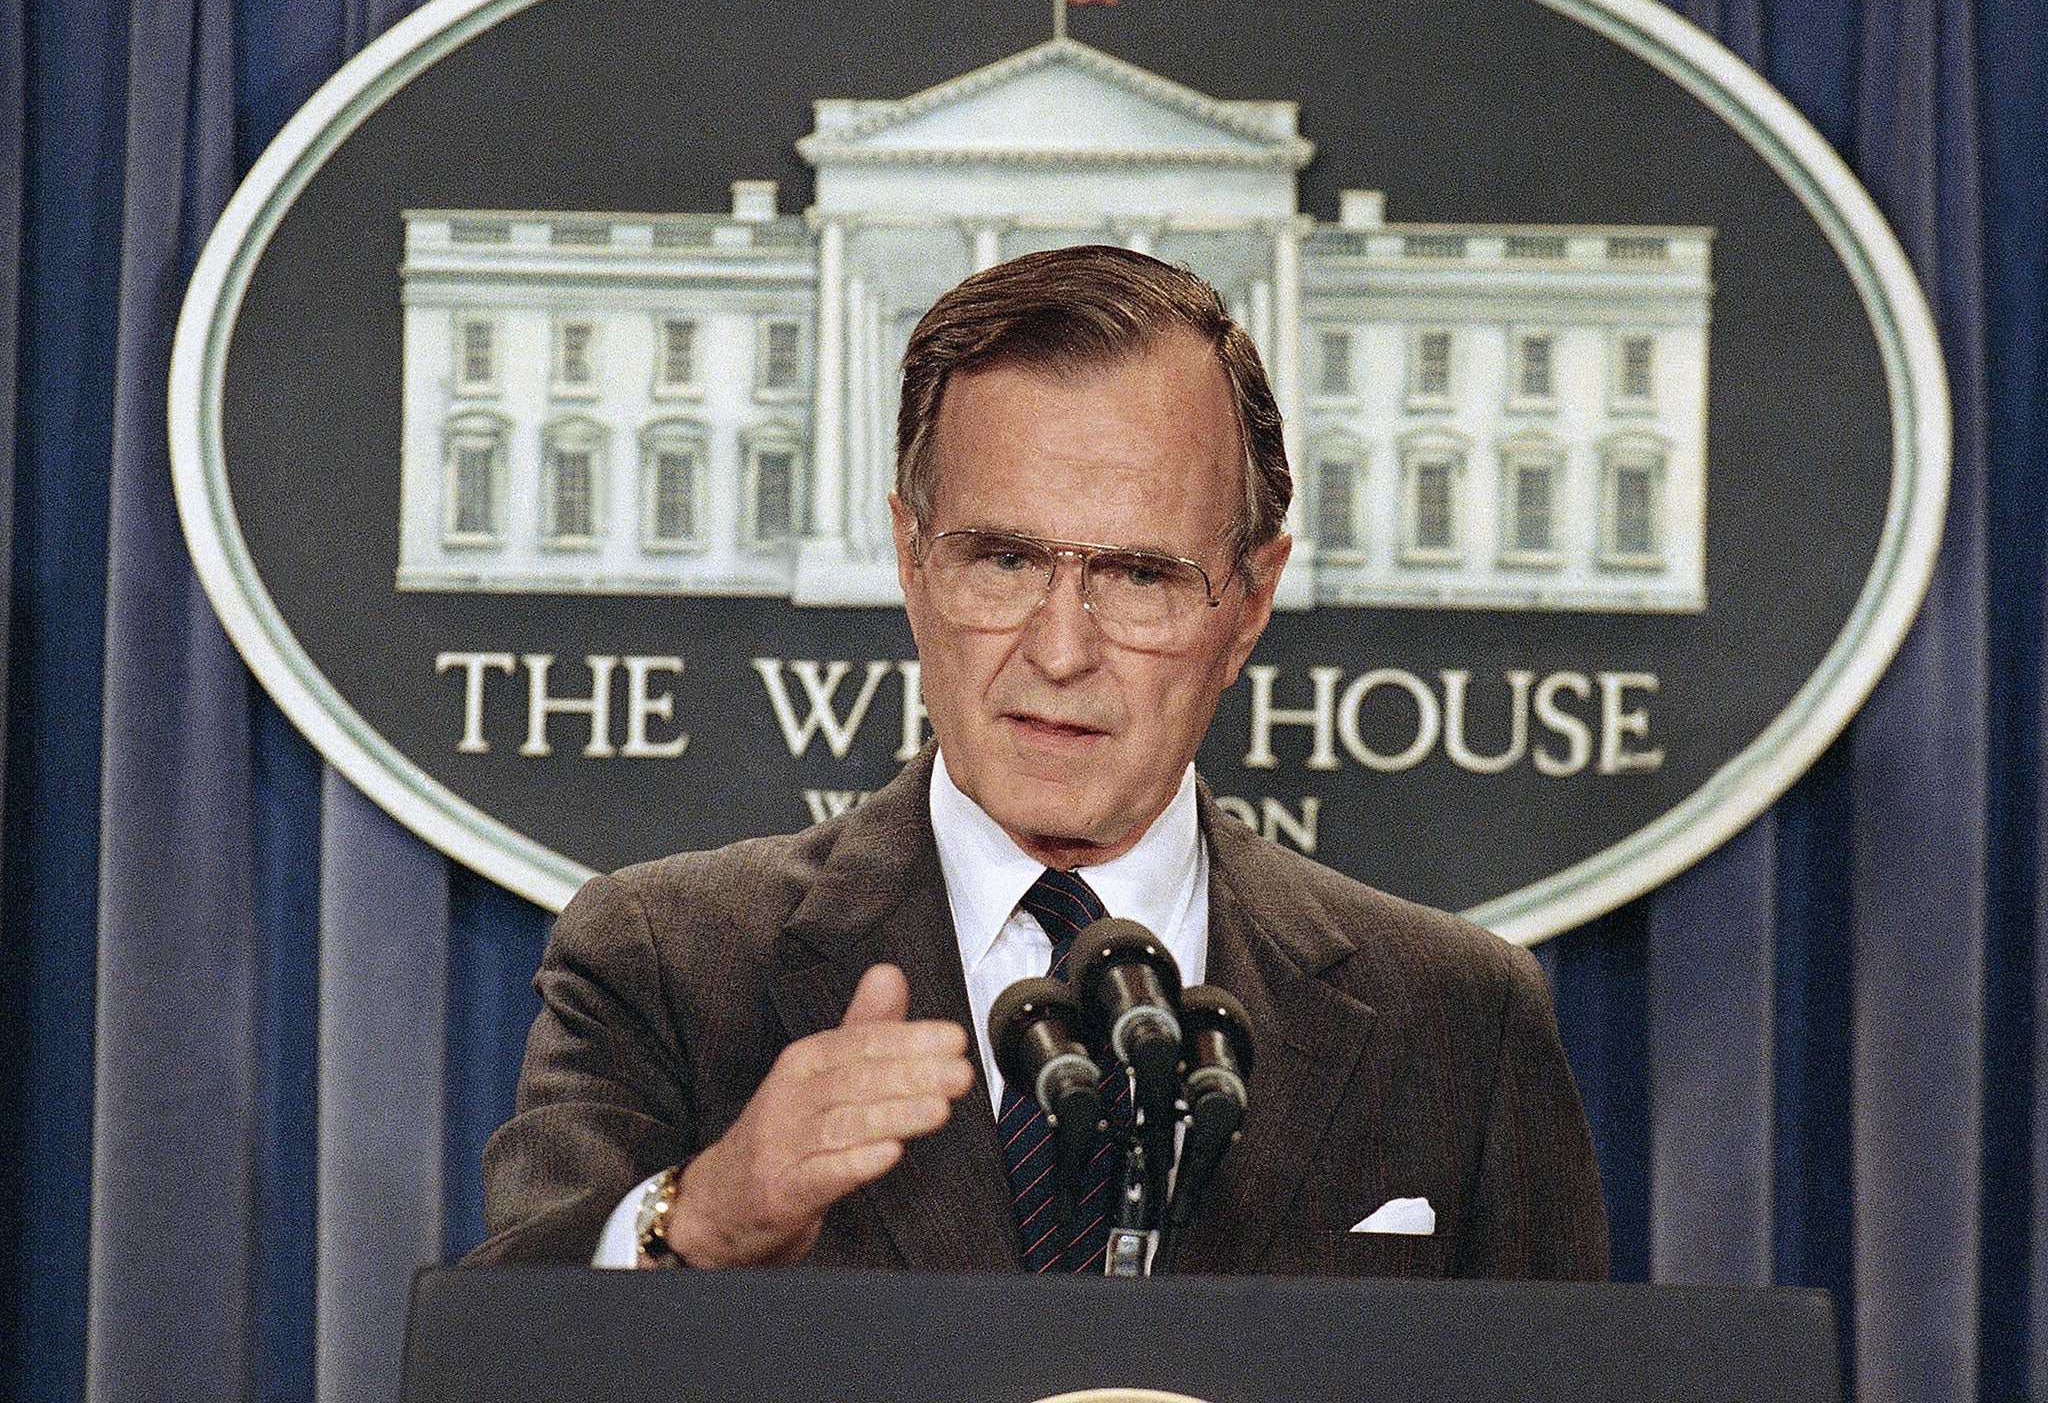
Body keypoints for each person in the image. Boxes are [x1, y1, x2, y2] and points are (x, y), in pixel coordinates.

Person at [470, 245, 1610, 1278]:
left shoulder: (1456, 1016)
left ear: (1250, 602)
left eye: (1139, 578)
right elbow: (495, 1369)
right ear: (912, 563)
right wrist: (702, 1220)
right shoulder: (668, 964)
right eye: (1002, 561)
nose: (1059, 652)